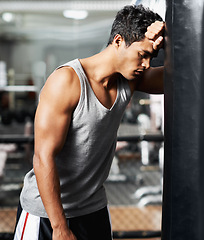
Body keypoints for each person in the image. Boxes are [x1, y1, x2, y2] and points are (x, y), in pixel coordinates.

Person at [13, 5, 165, 240]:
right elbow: (44, 157)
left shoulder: (129, 80)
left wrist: (170, 38)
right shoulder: (67, 81)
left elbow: (179, 77)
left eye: (151, 57)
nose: (146, 64)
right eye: (142, 55)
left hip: (93, 209)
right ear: (117, 41)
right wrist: (59, 227)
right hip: (47, 214)